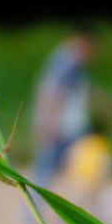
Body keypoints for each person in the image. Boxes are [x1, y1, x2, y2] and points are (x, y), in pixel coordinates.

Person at [30, 26, 96, 190]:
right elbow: (51, 91)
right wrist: (49, 122)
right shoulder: (67, 60)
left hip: (66, 125)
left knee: (49, 167)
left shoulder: (67, 59)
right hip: (57, 126)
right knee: (45, 168)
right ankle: (30, 211)